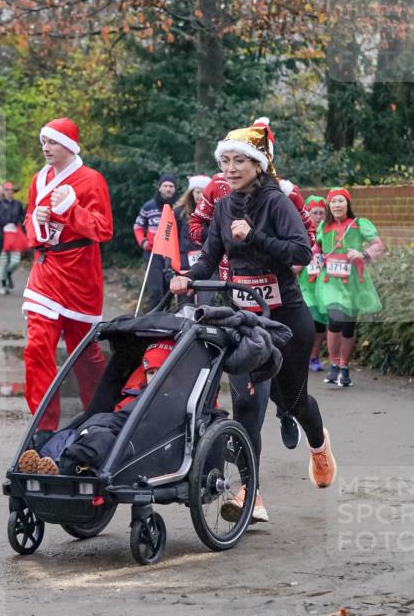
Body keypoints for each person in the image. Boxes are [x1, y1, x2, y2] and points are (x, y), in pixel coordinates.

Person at [171, 118, 337, 522]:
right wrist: (188, 278)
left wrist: (255, 236)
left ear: (258, 165)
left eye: (238, 161)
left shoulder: (276, 202)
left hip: (284, 317)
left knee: (291, 400)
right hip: (243, 319)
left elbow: (300, 252)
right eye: (224, 161)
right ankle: (251, 493)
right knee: (246, 403)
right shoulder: (224, 206)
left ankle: (318, 443)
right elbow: (211, 256)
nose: (229, 169)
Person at [23, 117, 113, 421]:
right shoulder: (39, 180)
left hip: (80, 275)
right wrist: (38, 220)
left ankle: (100, 417)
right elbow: (28, 221)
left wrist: (70, 211)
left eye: (52, 142)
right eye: (44, 142)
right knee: (37, 348)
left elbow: (103, 230)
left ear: (69, 146)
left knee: (85, 355)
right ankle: (42, 428)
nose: (46, 148)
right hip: (45, 270)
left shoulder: (92, 180)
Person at [17, 340, 175, 475]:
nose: (154, 378)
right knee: (65, 436)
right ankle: (41, 460)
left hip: (122, 435)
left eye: (159, 372)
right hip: (98, 425)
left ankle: (62, 467)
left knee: (96, 440)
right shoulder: (134, 391)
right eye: (150, 372)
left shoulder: (167, 399)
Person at [313, 188, 384, 388]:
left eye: (341, 201)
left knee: (348, 325)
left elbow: (378, 245)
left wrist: (362, 253)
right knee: (335, 319)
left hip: (353, 281)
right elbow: (317, 247)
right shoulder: (323, 227)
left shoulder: (359, 224)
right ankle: (334, 363)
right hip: (330, 282)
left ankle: (344, 367)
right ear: (328, 205)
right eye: (333, 201)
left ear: (347, 204)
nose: (336, 205)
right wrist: (317, 256)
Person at [133, 172, 177, 309]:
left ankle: (164, 322)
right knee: (156, 291)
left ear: (175, 189)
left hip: (171, 254)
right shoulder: (149, 206)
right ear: (159, 188)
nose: (168, 189)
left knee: (168, 292)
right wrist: (143, 241)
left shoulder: (179, 206)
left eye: (171, 186)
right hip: (153, 253)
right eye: (165, 186)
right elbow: (138, 226)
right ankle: (151, 322)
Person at [297, 195, 328, 371]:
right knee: (309, 321)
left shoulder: (329, 234)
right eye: (314, 213)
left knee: (321, 325)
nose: (317, 217)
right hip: (304, 286)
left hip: (323, 286)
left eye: (321, 213)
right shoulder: (301, 233)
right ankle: (301, 357)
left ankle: (313, 357)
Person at [173, 174, 213, 306]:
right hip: (184, 266)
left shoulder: (215, 212)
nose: (199, 195)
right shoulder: (179, 213)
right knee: (185, 307)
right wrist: (170, 266)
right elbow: (172, 240)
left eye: (203, 192)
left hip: (207, 265)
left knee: (205, 305)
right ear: (191, 193)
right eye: (197, 191)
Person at [0, 181, 26, 294]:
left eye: (11, 190)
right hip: (2, 234)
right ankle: (4, 285)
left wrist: (19, 222)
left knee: (15, 260)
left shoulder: (18, 204)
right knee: (3, 261)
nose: (10, 192)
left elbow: (22, 217)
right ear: (3, 192)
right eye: (7, 190)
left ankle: (8, 273)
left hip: (15, 233)